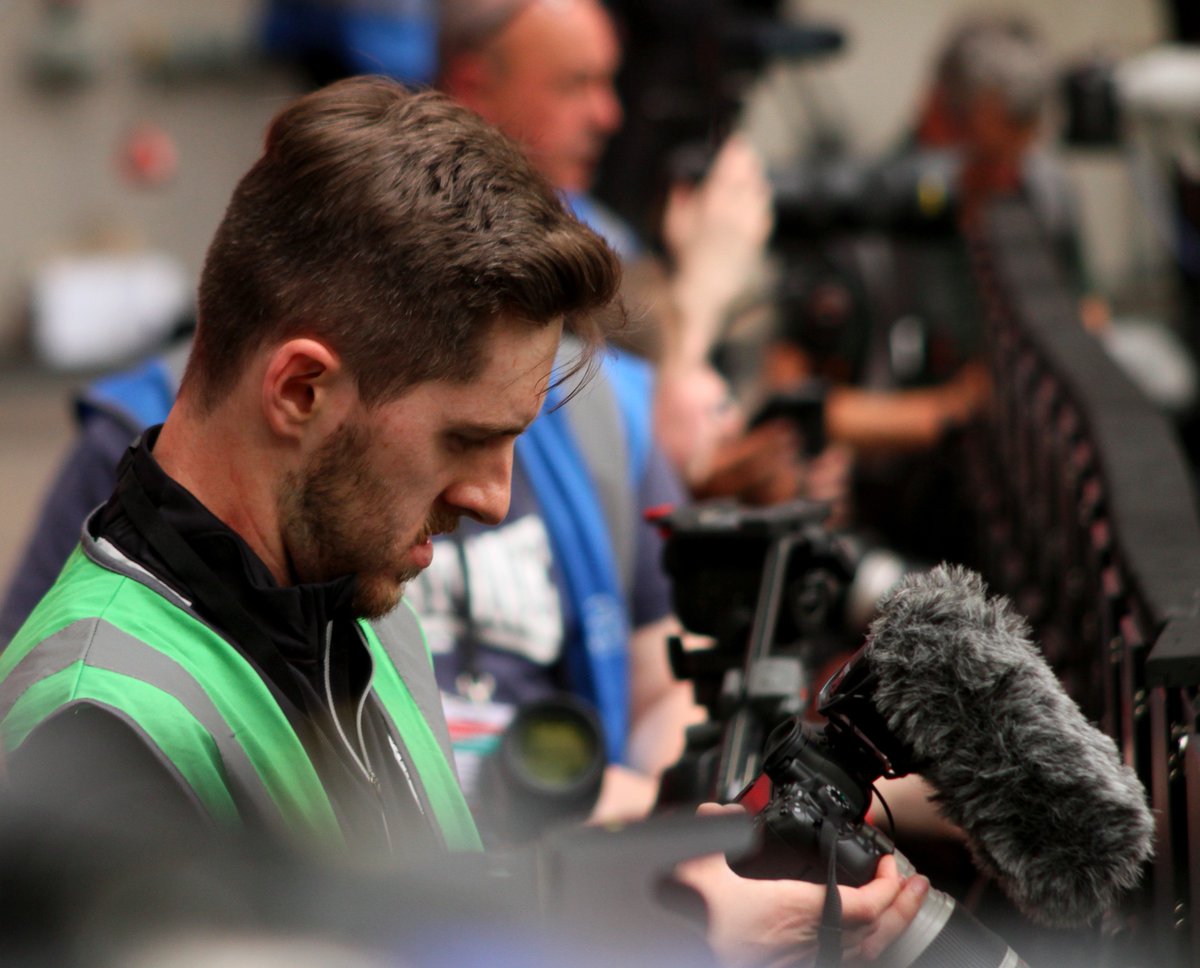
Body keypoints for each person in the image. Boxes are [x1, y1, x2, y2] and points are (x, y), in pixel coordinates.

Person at [0, 77, 926, 964]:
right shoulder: (97, 723)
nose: (490, 497)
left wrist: (660, 875)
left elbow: (401, 903)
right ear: (300, 388)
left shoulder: (350, 592)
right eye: (465, 439)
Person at [437, 0, 834, 508]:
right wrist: (704, 288)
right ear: (474, 86)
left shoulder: (602, 227)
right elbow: (643, 429)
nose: (609, 115)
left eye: (609, 82)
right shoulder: (437, 248)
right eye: (574, 84)